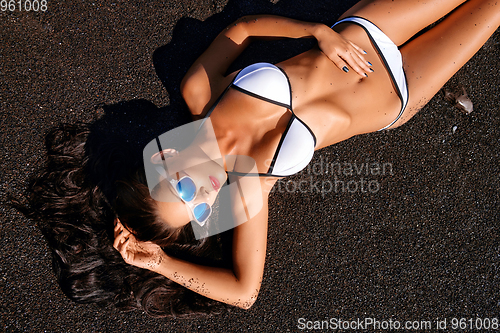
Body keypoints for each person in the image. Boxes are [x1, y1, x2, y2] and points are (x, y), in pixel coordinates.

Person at [18, 0, 500, 318]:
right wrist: (159, 262)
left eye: (184, 188)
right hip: (399, 96)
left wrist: (316, 32)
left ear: (163, 159)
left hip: (366, 31)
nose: (207, 196)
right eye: (201, 210)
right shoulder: (250, 188)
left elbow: (244, 29)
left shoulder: (199, 94)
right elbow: (245, 293)